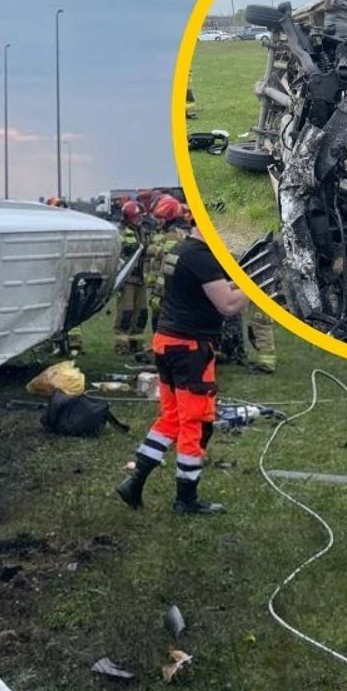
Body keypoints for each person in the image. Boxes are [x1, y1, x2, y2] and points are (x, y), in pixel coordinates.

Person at [115, 218, 249, 516]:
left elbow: (207, 288)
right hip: (190, 348)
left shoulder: (182, 249)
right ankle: (185, 499)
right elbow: (227, 306)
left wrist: (236, 283)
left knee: (172, 418)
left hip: (168, 341)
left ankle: (134, 481)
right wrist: (255, 288)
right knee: (196, 423)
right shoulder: (201, 256)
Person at [137, 196, 190, 362]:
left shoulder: (172, 237)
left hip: (167, 289)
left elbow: (165, 268)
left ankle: (161, 351)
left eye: (161, 219)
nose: (158, 222)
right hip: (174, 288)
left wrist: (158, 292)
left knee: (161, 320)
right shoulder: (177, 233)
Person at [111, 201, 151, 357]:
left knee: (141, 313)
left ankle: (136, 344)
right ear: (129, 217)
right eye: (137, 217)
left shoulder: (143, 231)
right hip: (127, 278)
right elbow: (119, 252)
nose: (140, 219)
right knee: (125, 313)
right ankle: (121, 346)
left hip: (141, 278)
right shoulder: (121, 232)